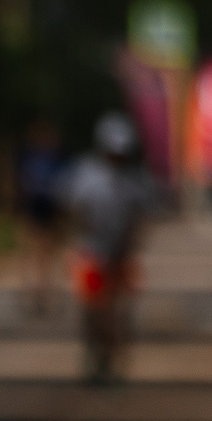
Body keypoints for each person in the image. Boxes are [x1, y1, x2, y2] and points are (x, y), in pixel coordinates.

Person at [63, 113, 153, 384]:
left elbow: (141, 217)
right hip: (91, 254)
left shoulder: (135, 181)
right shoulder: (85, 175)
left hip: (121, 256)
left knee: (120, 312)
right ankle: (94, 355)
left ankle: (114, 362)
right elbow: (73, 210)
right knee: (92, 310)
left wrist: (132, 245)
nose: (117, 157)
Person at [16, 119, 69, 313]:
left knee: (46, 252)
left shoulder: (59, 157)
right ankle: (33, 291)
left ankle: (42, 291)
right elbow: (19, 185)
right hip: (32, 209)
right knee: (33, 251)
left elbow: (65, 186)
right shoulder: (27, 155)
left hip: (51, 209)